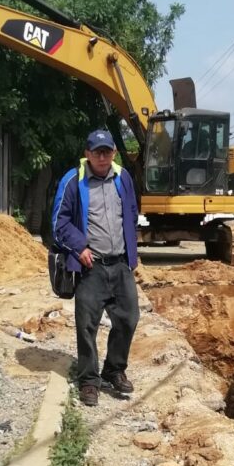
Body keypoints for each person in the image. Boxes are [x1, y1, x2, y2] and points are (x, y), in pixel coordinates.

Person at [52, 129, 140, 407]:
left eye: (107, 152)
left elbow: (132, 212)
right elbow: (58, 223)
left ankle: (114, 370)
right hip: (91, 267)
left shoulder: (123, 178)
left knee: (128, 319)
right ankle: (89, 381)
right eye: (97, 152)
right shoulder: (73, 181)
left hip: (121, 264)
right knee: (87, 326)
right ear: (87, 154)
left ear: (114, 152)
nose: (102, 157)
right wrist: (79, 247)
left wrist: (131, 248)